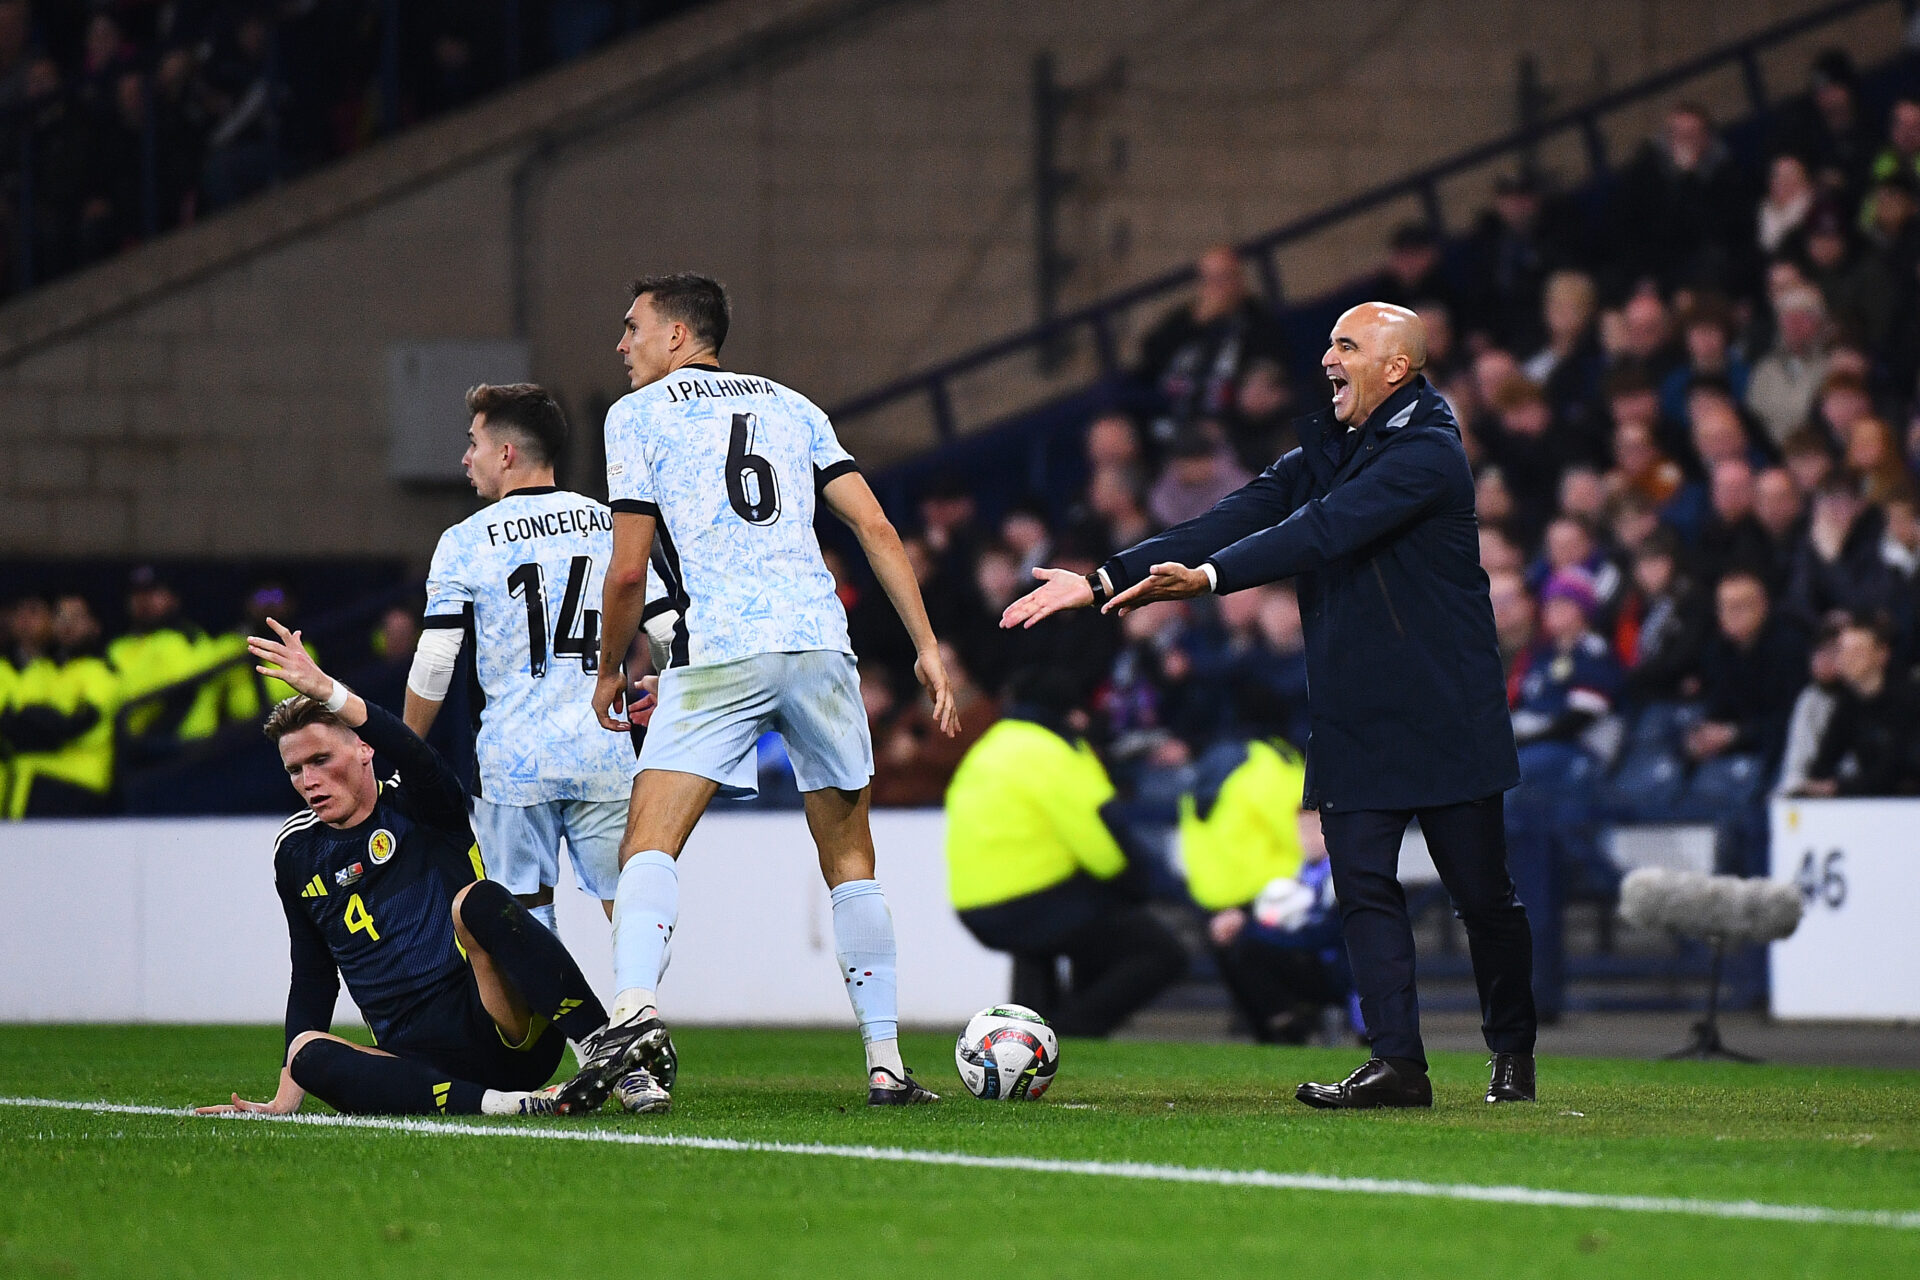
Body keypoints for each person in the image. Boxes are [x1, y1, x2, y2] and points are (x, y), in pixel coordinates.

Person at [1004, 302, 1536, 1109]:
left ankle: (1512, 1050)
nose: (1327, 357)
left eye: (1347, 345)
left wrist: (1212, 580)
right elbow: (1234, 515)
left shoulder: (1429, 453)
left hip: (1444, 711)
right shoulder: (1331, 445)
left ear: (1396, 369)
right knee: (1361, 887)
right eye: (1328, 342)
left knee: (1483, 899)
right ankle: (1399, 1064)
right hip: (1356, 712)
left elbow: (1320, 532)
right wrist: (1106, 578)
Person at [559, 273, 961, 1113]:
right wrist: (926, 646)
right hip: (820, 643)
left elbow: (628, 568)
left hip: (723, 649)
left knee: (649, 843)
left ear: (678, 336)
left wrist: (609, 668)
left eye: (632, 328)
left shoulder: (636, 416)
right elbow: (878, 529)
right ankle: (886, 1062)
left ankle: (633, 1008)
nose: (621, 346)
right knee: (851, 855)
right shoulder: (792, 405)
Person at [195, 622, 612, 1118]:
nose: (309, 781)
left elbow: (414, 752)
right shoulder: (296, 852)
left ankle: (603, 1052)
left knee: (477, 901)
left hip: (503, 1025)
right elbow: (312, 974)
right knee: (305, 1051)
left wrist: (329, 691)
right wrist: (284, 1100)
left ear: (364, 749)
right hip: (414, 1060)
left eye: (322, 759)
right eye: (295, 770)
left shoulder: (421, 802)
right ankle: (508, 1106)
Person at [403, 383, 666, 1010]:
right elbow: (666, 628)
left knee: (522, 917)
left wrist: (405, 748)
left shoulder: (466, 540)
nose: (466, 458)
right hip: (605, 747)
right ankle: (638, 1027)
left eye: (474, 444)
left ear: (508, 452)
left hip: (513, 762)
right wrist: (669, 685)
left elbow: (437, 662)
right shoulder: (610, 523)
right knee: (627, 904)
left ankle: (574, 1055)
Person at [943, 664, 1186, 1036]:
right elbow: (1102, 846)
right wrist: (1142, 886)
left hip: (975, 904)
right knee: (1161, 951)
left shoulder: (991, 746)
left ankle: (1030, 1031)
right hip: (1031, 897)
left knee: (1064, 934)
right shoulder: (1056, 750)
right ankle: (1070, 1035)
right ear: (1069, 711)